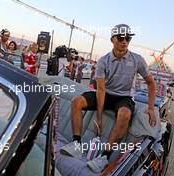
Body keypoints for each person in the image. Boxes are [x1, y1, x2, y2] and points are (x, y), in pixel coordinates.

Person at [60, 24, 157, 173]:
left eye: (128, 38)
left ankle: (105, 156)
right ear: (113, 39)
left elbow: (151, 83)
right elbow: (101, 89)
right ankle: (76, 144)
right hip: (106, 94)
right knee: (76, 101)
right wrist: (99, 117)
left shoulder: (137, 59)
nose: (125, 41)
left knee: (125, 114)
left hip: (124, 97)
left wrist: (150, 108)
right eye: (121, 38)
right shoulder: (103, 61)